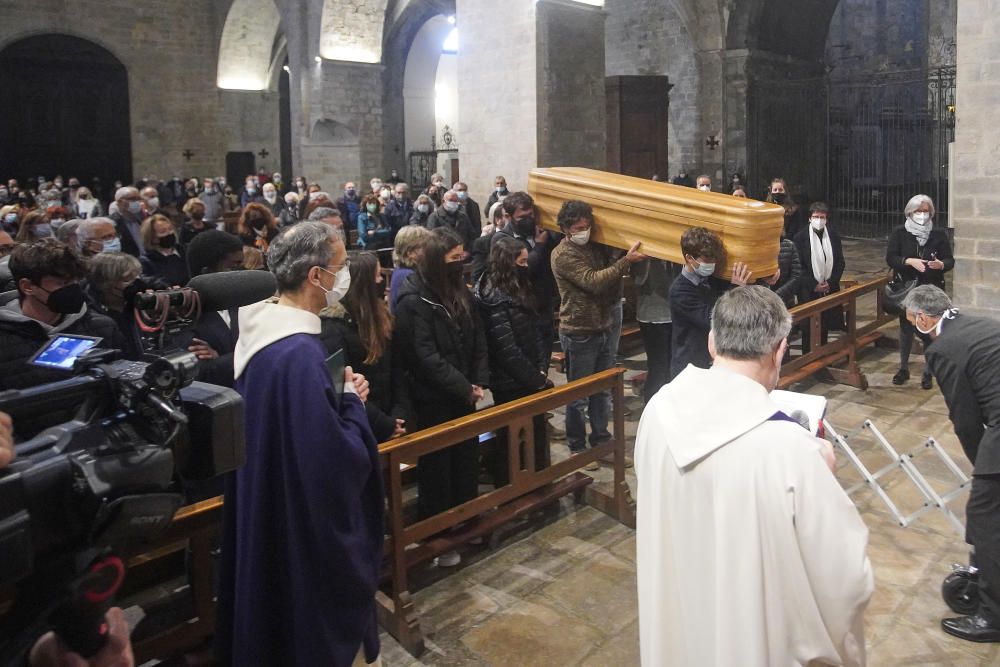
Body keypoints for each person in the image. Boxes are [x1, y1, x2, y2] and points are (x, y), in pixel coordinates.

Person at [636, 285, 872, 666]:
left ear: (712, 343)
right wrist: (820, 473)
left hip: (678, 633)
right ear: (780, 349)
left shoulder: (658, 410)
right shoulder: (791, 450)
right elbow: (844, 582)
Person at [216, 221, 383, 667]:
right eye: (340, 267)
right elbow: (333, 465)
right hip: (306, 533)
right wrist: (352, 404)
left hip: (273, 502)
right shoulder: (300, 356)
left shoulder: (263, 335)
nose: (343, 277)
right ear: (315, 276)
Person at [902, 286, 1000, 642]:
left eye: (912, 320)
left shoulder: (943, 348)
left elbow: (966, 419)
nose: (912, 326)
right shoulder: (979, 324)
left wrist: (984, 466)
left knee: (986, 519)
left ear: (924, 319)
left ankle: (992, 616)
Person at [393, 226, 488, 566]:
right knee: (439, 468)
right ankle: (438, 537)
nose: (460, 263)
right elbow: (424, 356)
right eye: (453, 258)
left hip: (463, 392)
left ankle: (467, 520)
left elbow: (476, 333)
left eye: (462, 257)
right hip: (433, 397)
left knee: (465, 460)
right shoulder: (412, 299)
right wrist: (463, 385)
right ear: (436, 261)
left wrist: (477, 379)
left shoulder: (456, 287)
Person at [550, 200, 645, 462]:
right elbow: (593, 281)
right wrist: (625, 261)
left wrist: (621, 252)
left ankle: (601, 442)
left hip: (604, 325)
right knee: (578, 395)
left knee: (602, 390)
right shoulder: (563, 254)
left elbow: (610, 270)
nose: (585, 231)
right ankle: (578, 447)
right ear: (566, 229)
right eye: (579, 227)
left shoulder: (594, 246)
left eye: (588, 226)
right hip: (579, 330)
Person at [475, 236, 553, 486]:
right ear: (508, 264)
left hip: (531, 375)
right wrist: (535, 378)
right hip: (510, 382)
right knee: (513, 439)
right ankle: (512, 488)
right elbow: (506, 348)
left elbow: (535, 328)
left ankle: (538, 483)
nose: (526, 265)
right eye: (521, 261)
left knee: (537, 435)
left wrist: (542, 367)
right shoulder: (493, 297)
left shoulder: (519, 286)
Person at [0, 239, 123, 391]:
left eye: (75, 281)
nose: (72, 289)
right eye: (62, 283)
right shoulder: (5, 338)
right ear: (28, 286)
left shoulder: (102, 327)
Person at [321, 252, 410, 442]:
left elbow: (397, 370)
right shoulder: (333, 327)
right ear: (364, 285)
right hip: (363, 425)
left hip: (391, 415)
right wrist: (384, 424)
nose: (381, 281)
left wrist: (399, 414)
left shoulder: (382, 316)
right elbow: (344, 387)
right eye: (377, 276)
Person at [886, 194, 954, 388]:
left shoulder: (938, 234)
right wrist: (908, 261)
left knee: (929, 332)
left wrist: (941, 264)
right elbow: (891, 258)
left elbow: (950, 260)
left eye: (926, 211)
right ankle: (903, 368)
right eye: (918, 211)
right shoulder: (900, 232)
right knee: (906, 330)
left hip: (931, 289)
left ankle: (928, 372)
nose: (922, 215)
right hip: (908, 288)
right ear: (910, 212)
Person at [669, 227, 751, 378]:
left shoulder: (712, 279)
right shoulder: (680, 291)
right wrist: (735, 290)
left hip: (714, 363)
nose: (712, 265)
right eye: (707, 260)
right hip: (690, 367)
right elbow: (713, 320)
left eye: (714, 260)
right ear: (689, 258)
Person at [493, 192, 558, 370]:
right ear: (508, 216)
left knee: (544, 355)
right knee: (529, 360)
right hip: (521, 309)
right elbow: (522, 271)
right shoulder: (501, 240)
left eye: (531, 215)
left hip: (544, 305)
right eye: (522, 217)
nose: (529, 220)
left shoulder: (542, 233)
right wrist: (539, 246)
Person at [182, 230, 248, 387]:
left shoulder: (247, 297)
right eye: (234, 266)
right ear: (207, 273)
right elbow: (203, 371)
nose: (242, 271)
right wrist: (244, 355)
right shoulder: (184, 313)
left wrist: (221, 358)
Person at [793, 202, 845, 354]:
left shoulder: (833, 235)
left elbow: (840, 262)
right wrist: (813, 284)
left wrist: (831, 282)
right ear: (810, 218)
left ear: (827, 219)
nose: (819, 220)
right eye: (816, 217)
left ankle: (823, 355)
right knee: (808, 326)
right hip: (808, 290)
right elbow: (798, 266)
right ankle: (807, 356)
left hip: (829, 287)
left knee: (826, 323)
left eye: (822, 217)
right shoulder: (800, 238)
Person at [635, 258, 680, 403]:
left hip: (676, 312)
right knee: (658, 369)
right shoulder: (645, 255)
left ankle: (670, 407)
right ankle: (653, 410)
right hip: (653, 314)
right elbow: (638, 277)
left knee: (673, 368)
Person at [85, 251, 145, 359]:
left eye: (137, 277)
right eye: (127, 279)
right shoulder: (96, 321)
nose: (136, 283)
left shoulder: (140, 306)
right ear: (106, 283)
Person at [389, 224, 432, 312]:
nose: (429, 250)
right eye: (425, 246)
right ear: (410, 252)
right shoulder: (407, 276)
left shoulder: (401, 271)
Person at [140, 214, 188, 286]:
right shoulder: (147, 261)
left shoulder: (185, 251)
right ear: (153, 238)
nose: (169, 233)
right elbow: (147, 280)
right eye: (163, 231)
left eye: (170, 229)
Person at [110, 186, 144, 257]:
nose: (137, 202)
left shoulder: (142, 220)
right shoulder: (112, 224)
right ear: (119, 202)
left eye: (138, 199)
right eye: (133, 199)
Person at [356, 193, 392, 259]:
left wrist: (375, 233)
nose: (372, 205)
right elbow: (364, 236)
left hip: (383, 245)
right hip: (369, 246)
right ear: (365, 205)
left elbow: (389, 231)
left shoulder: (381, 216)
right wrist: (381, 233)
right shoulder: (362, 217)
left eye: (374, 203)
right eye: (369, 204)